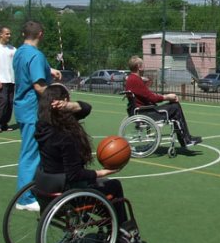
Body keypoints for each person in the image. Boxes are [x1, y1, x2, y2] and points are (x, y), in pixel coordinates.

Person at [33, 84, 128, 225]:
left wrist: (67, 106)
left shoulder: (43, 126)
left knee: (103, 185)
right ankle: (119, 232)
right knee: (114, 186)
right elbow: (74, 174)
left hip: (47, 187)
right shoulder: (65, 136)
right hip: (68, 192)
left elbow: (86, 108)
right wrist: (102, 172)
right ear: (64, 100)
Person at [13, 21, 61, 211]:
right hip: (33, 110)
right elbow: (39, 86)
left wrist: (50, 70)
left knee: (38, 151)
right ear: (40, 34)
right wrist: (59, 97)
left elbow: (30, 68)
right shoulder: (35, 55)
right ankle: (24, 199)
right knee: (30, 154)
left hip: (23, 108)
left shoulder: (20, 52)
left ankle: (36, 189)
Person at [124, 56, 201, 149]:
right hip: (146, 113)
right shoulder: (135, 80)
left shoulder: (132, 79)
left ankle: (185, 139)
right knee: (175, 107)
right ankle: (186, 139)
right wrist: (168, 97)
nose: (145, 67)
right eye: (143, 65)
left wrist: (144, 80)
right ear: (139, 66)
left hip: (142, 111)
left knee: (174, 107)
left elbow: (145, 94)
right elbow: (151, 97)